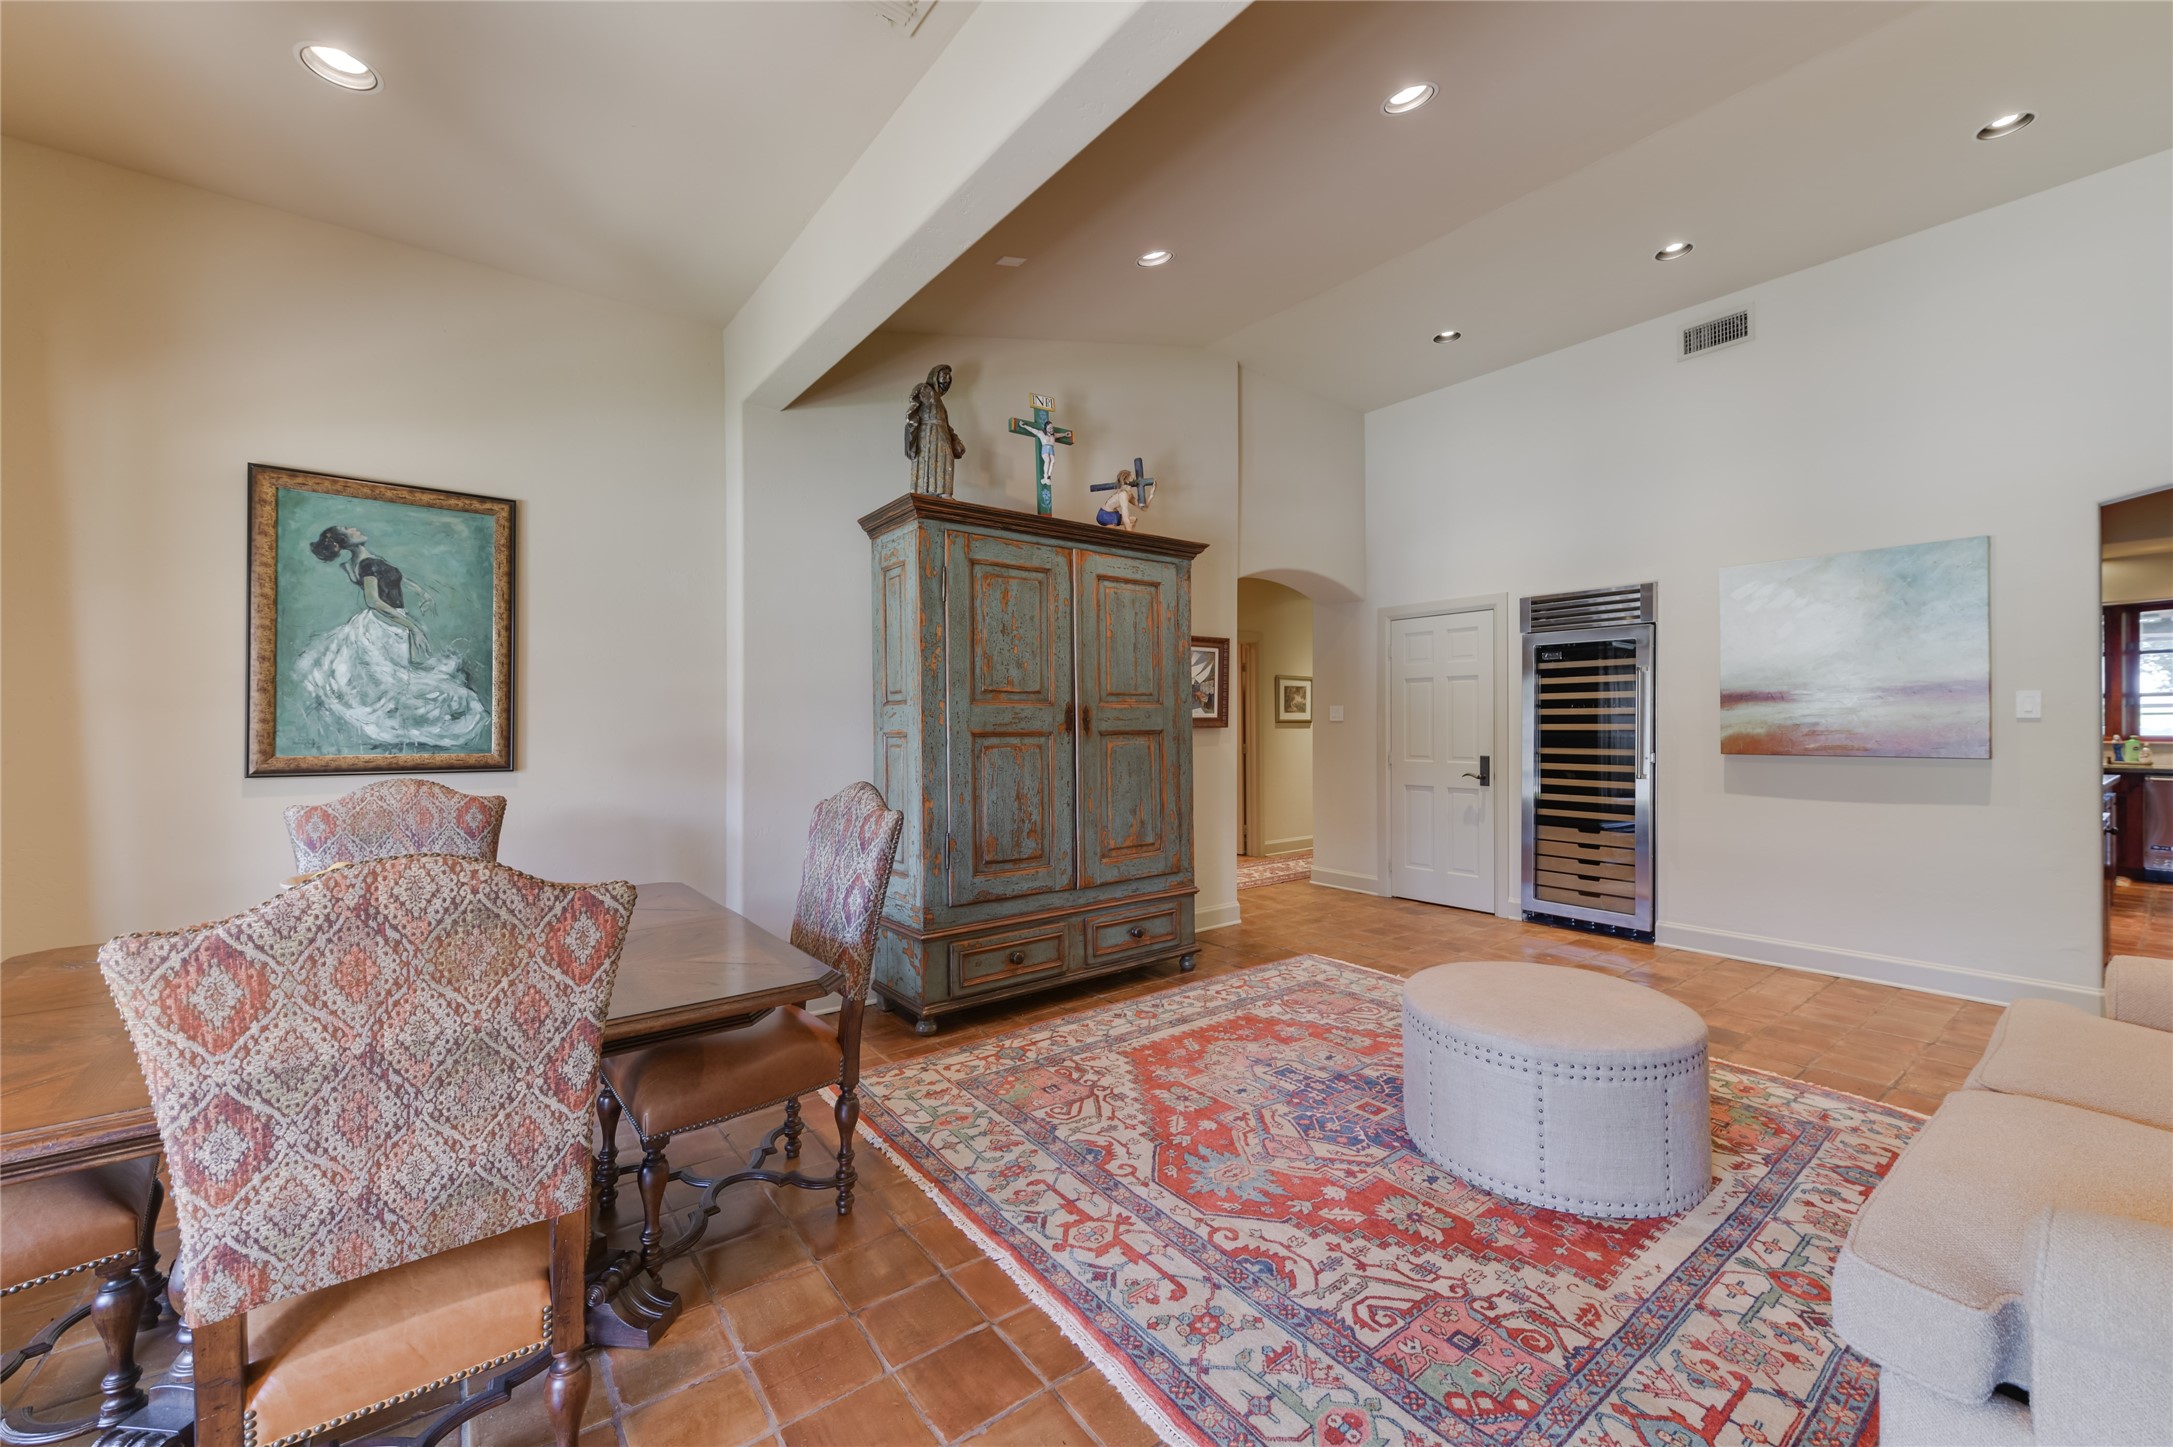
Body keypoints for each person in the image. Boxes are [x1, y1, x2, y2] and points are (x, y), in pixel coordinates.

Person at [294, 525, 487, 749]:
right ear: (345, 541)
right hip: (383, 626)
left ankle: (399, 719)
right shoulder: (367, 564)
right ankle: (395, 725)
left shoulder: (365, 562)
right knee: (393, 680)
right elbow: (374, 601)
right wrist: (413, 626)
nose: (355, 529)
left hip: (389, 623)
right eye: (349, 530)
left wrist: (423, 593)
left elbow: (395, 578)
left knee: (394, 677)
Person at [905, 364, 965, 496]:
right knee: (927, 459)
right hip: (928, 432)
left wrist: (955, 438)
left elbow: (946, 424)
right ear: (934, 376)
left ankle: (944, 492)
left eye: (949, 377)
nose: (947, 379)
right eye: (944, 375)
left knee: (946, 459)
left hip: (942, 434)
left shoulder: (941, 404)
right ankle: (923, 490)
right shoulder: (924, 388)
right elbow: (913, 405)